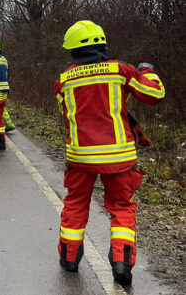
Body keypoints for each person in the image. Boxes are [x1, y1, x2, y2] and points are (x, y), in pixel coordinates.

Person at [54, 20, 164, 285]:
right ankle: (122, 265)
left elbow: (66, 114)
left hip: (80, 158)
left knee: (75, 205)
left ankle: (69, 259)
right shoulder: (120, 71)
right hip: (119, 157)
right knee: (122, 208)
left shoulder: (64, 80)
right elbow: (154, 93)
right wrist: (147, 71)